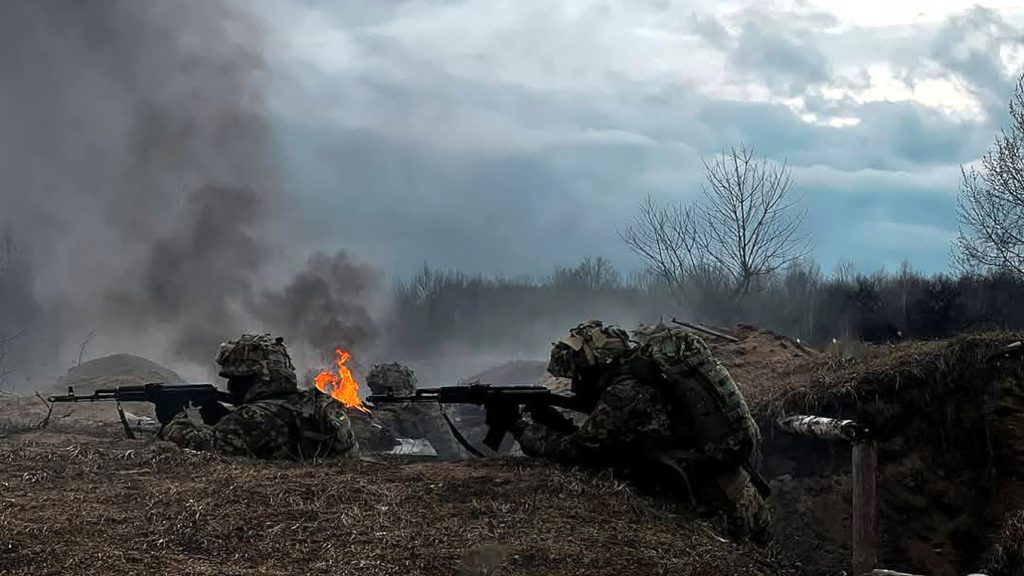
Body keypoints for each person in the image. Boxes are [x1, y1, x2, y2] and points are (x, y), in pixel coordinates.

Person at [510, 320, 770, 542]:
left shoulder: (625, 394)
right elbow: (602, 441)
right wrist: (550, 418)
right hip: (735, 495)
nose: (575, 385)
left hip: (721, 509)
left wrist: (520, 429)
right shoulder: (640, 377)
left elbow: (578, 452)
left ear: (594, 369)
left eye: (578, 376)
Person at [160, 333, 359, 461]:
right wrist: (223, 418)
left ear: (253, 378)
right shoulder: (317, 402)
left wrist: (173, 421)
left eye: (235, 378)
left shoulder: (250, 418)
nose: (231, 385)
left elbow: (197, 445)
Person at [365, 362, 462, 459]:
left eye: (382, 390)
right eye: (375, 390)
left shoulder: (424, 411)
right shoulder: (375, 415)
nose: (375, 394)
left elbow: (450, 452)